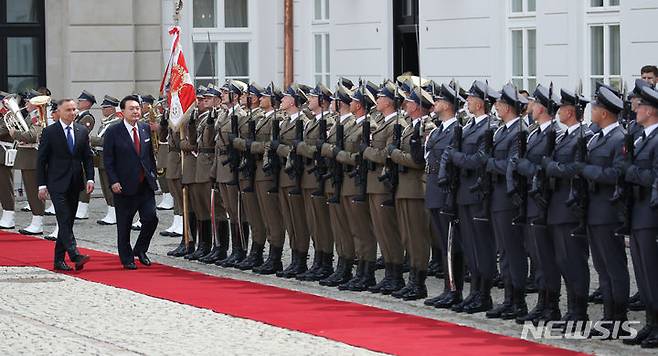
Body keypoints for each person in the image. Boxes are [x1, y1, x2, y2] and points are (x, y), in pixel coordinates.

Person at [36, 98, 93, 271]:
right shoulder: (50, 131)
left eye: (74, 109)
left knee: (67, 221)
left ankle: (58, 260)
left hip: (75, 182)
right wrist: (41, 185)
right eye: (68, 109)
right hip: (56, 182)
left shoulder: (82, 130)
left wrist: (90, 178)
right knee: (63, 217)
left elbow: (87, 158)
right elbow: (41, 160)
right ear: (59, 112)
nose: (73, 112)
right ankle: (75, 254)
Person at [103, 95, 159, 269]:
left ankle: (140, 249)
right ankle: (126, 258)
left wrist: (153, 174)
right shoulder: (113, 131)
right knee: (125, 223)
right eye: (131, 108)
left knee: (151, 219)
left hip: (144, 184)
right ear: (123, 111)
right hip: (124, 185)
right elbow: (108, 159)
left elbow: (149, 154)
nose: (136, 111)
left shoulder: (144, 128)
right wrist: (113, 181)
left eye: (137, 108)